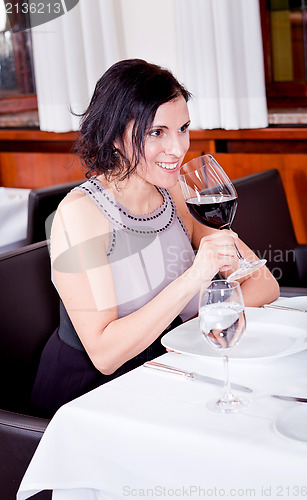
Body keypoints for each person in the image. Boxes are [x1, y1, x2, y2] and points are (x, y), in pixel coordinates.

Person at [31, 59, 279, 417]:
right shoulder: (81, 215)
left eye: (183, 128)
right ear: (115, 135)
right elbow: (104, 355)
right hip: (89, 395)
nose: (178, 149)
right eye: (156, 132)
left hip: (166, 365)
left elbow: (263, 285)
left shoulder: (176, 193)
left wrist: (201, 318)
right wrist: (195, 277)